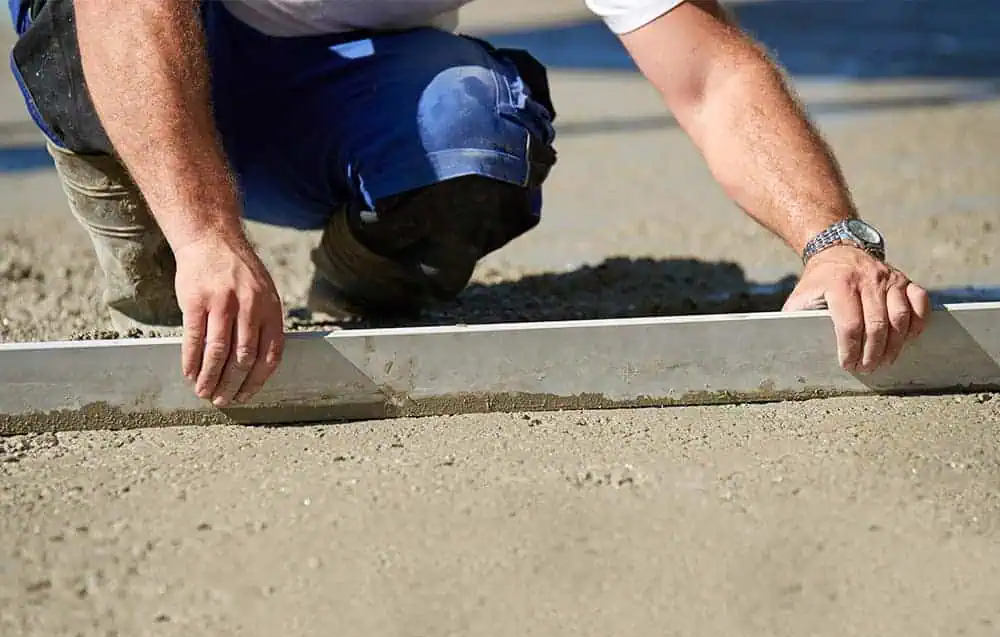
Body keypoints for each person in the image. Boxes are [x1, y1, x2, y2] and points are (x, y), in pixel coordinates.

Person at [8, 0, 930, 409]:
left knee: (480, 127)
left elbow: (713, 78)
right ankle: (147, 221)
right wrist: (207, 233)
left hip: (335, 108)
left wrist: (834, 241)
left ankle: (366, 268)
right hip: (149, 53)